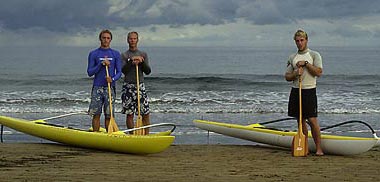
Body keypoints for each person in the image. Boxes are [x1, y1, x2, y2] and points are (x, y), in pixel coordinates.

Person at [285, 29, 324, 156]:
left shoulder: (314, 55)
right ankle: (304, 147)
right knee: (300, 120)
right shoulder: (292, 57)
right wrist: (296, 73)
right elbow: (287, 76)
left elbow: (318, 72)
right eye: (297, 41)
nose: (299, 43)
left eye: (302, 40)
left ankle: (319, 148)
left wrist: (306, 64)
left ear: (306, 40)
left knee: (312, 120)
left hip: (309, 90)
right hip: (296, 90)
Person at [87, 29, 122, 132]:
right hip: (97, 87)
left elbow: (119, 72)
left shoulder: (115, 54)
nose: (106, 40)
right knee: (96, 114)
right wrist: (100, 64)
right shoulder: (94, 53)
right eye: (104, 38)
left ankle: (109, 136)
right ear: (100, 39)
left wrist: (112, 79)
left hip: (110, 87)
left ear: (110, 40)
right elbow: (89, 72)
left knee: (109, 115)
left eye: (108, 38)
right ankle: (95, 135)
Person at [121, 31, 151, 134]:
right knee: (129, 113)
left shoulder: (143, 54)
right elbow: (123, 71)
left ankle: (146, 135)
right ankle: (132, 134)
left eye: (134, 39)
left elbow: (148, 71)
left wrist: (141, 62)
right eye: (130, 39)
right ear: (127, 40)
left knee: (145, 112)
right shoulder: (124, 55)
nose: (132, 41)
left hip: (140, 86)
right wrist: (131, 61)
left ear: (137, 40)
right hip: (128, 86)